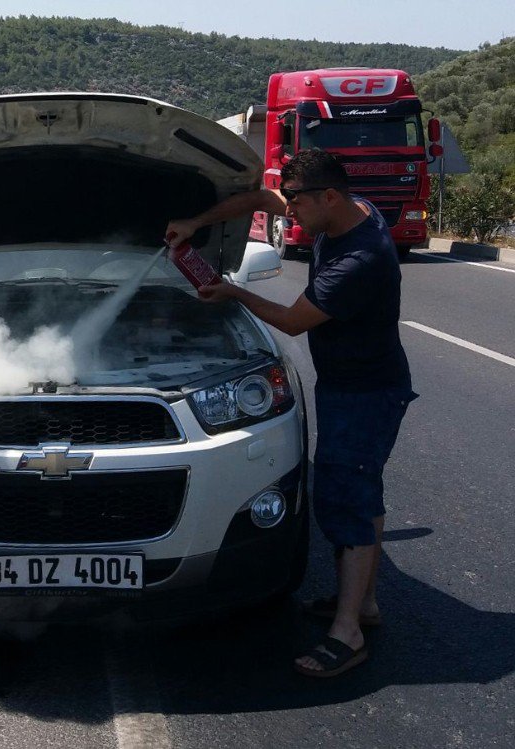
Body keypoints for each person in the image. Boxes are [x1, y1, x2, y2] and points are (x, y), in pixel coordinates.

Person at [165, 148, 416, 678]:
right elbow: (261, 197)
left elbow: (292, 320)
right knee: (363, 489)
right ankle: (364, 604)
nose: (288, 216)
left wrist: (230, 291)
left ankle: (347, 634)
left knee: (344, 495)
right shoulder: (345, 206)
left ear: (328, 196)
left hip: (365, 392)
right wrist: (194, 222)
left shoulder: (359, 260)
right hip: (356, 383)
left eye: (296, 205)